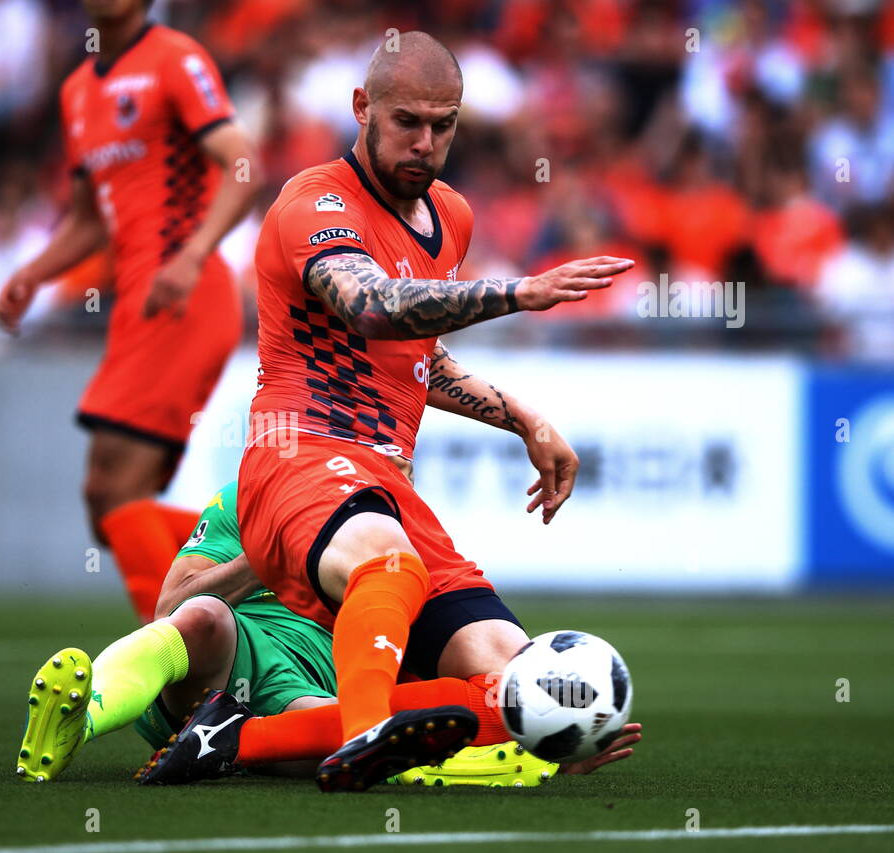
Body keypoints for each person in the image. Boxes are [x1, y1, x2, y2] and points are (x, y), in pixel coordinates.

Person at [231, 31, 633, 790]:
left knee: (516, 682)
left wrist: (522, 416)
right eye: (407, 121)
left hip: (387, 481)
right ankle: (362, 743)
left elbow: (418, 356)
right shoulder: (313, 203)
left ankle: (240, 737)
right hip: (298, 458)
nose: (425, 142)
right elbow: (373, 307)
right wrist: (518, 292)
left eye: (443, 126)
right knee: (388, 559)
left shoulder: (450, 215)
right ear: (362, 109)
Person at [16, 481, 641, 787]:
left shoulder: (392, 529)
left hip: (313, 679)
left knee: (339, 725)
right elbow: (169, 606)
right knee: (201, 619)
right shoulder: (247, 499)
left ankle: (498, 762)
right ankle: (82, 715)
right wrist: (269, 555)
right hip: (234, 647)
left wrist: (532, 725)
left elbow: (453, 649)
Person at [0, 0, 262, 621]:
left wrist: (195, 253)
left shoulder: (174, 58)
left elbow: (244, 163)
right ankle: (270, 561)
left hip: (184, 298)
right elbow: (91, 218)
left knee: (116, 491)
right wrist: (33, 274)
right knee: (106, 504)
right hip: (137, 306)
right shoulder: (78, 92)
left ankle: (177, 666)